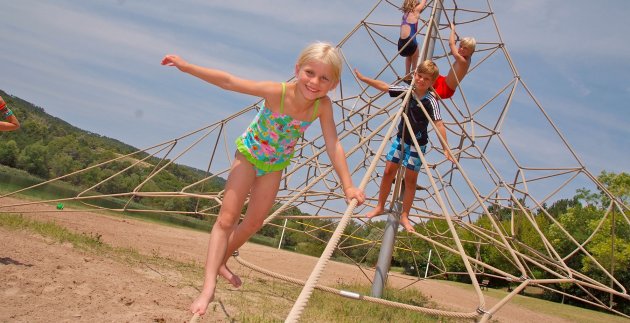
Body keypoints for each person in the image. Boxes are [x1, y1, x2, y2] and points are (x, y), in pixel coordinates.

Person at [161, 42, 365, 316]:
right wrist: (186, 67)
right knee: (226, 219)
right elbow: (229, 81)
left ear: (334, 84)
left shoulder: (323, 107)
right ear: (297, 70)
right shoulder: (277, 92)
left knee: (254, 222)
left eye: (324, 78)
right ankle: (208, 287)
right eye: (309, 72)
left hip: (274, 165)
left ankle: (221, 262)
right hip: (248, 155)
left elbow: (333, 144)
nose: (315, 82)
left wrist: (348, 186)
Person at [355, 60, 453, 232]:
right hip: (401, 139)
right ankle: (380, 206)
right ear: (414, 75)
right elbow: (385, 87)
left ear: (432, 82)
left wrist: (445, 147)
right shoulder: (408, 91)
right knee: (388, 172)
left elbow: (439, 123)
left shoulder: (432, 100)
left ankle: (405, 216)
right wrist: (364, 79)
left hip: (417, 143)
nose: (421, 80)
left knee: (410, 180)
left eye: (426, 79)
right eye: (419, 76)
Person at [433, 23, 476, 99]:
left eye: (465, 48)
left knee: (429, 96)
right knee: (429, 72)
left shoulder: (463, 61)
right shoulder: (465, 56)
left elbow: (451, 44)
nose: (461, 49)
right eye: (460, 46)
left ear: (471, 51)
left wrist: (453, 30)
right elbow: (455, 48)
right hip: (442, 80)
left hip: (446, 89)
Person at [398, 0, 427, 80]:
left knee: (409, 54)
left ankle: (407, 73)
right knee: (415, 53)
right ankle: (414, 72)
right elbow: (423, 2)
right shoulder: (416, 11)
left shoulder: (405, 14)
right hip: (410, 42)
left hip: (401, 45)